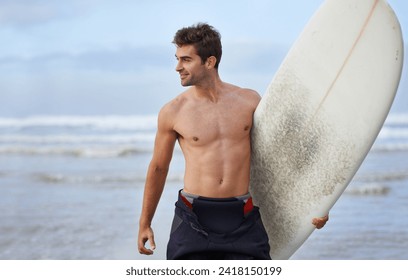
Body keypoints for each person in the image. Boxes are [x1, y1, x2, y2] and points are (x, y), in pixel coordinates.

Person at [138, 23, 328, 260]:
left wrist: (317, 206)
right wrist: (145, 222)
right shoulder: (173, 112)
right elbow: (158, 168)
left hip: (242, 214)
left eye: (186, 60)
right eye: (177, 59)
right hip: (193, 215)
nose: (178, 67)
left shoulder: (249, 101)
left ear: (210, 61)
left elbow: (287, 154)